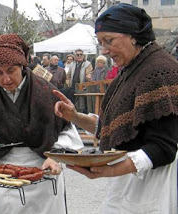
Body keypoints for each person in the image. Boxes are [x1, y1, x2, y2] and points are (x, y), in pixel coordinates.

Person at [53, 3, 178, 213]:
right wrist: (75, 116)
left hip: (152, 189)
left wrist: (106, 171)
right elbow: (113, 127)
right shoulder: (130, 69)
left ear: (132, 36)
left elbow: (163, 148)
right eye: (101, 43)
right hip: (129, 186)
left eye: (109, 41)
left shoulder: (159, 70)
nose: (104, 50)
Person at [0, 34, 83, 214]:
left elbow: (67, 131)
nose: (6, 79)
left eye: (11, 70)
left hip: (42, 171)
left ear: (22, 66)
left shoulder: (46, 91)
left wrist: (56, 156)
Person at [66, 49, 93, 113]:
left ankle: (83, 117)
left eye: (81, 54)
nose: (79, 56)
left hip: (83, 87)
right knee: (65, 93)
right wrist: (68, 83)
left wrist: (88, 76)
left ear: (83, 56)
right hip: (73, 87)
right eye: (78, 55)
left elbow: (89, 73)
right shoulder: (72, 64)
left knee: (82, 106)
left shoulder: (88, 64)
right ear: (75, 56)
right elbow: (68, 76)